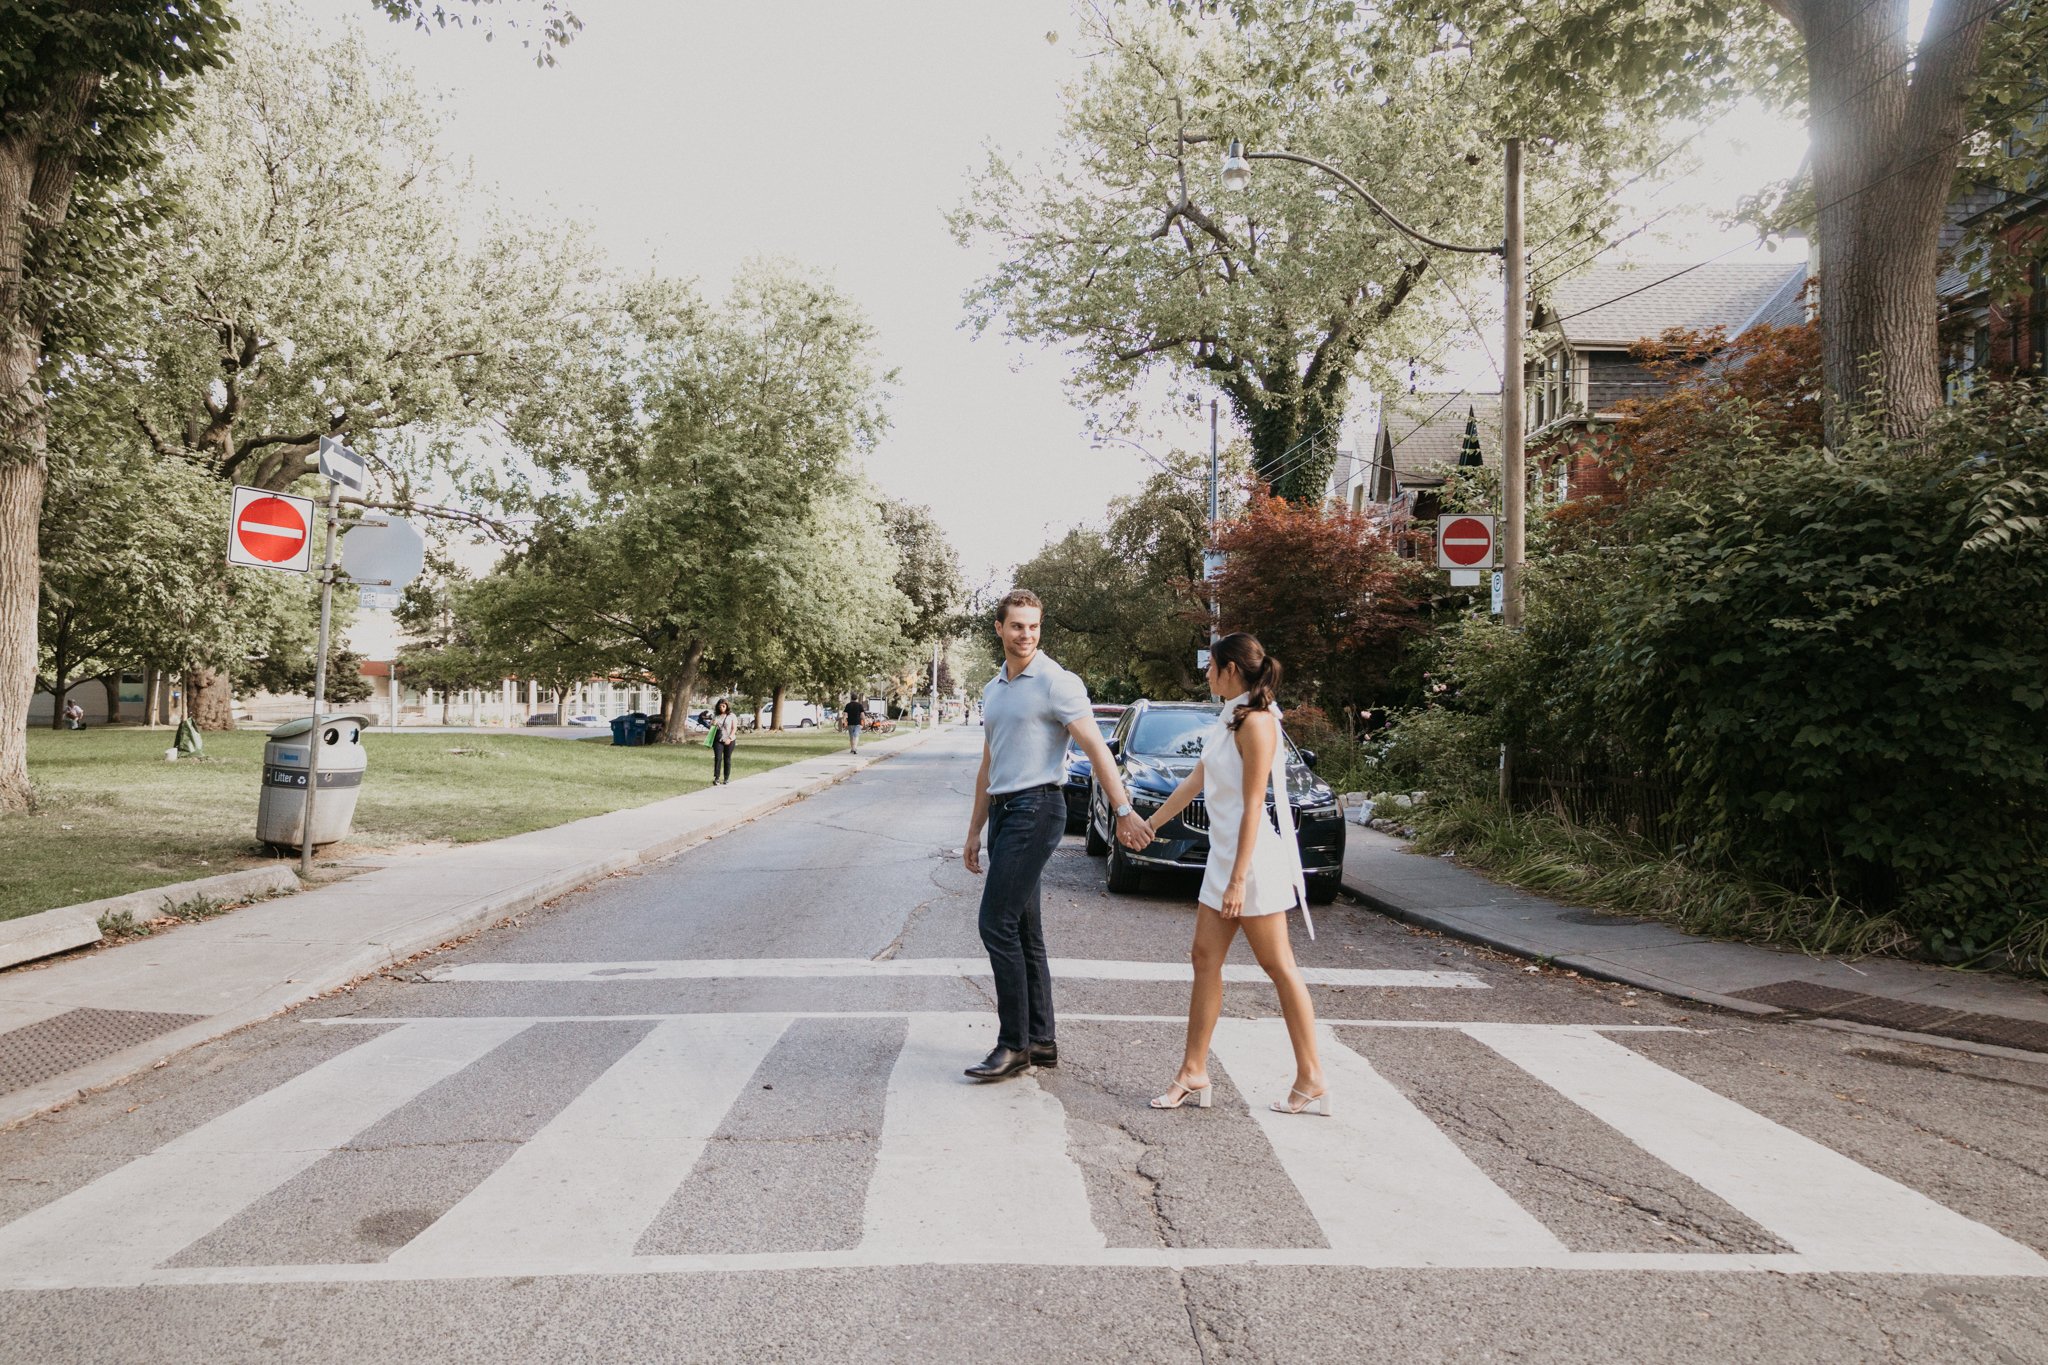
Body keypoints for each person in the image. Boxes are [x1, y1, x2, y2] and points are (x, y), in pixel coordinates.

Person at [962, 589, 1151, 1081]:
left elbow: (1096, 747)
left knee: (994, 923)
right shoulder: (993, 689)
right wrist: (974, 830)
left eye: (1034, 626)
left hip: (1038, 806)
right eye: (1017, 626)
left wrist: (1124, 810)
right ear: (999, 629)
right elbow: (989, 764)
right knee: (1023, 929)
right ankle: (1040, 1040)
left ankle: (1013, 1044)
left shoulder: (1056, 681)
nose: (1026, 635)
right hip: (1006, 812)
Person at [1137, 632, 1327, 1116]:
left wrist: (1239, 878)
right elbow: (1195, 782)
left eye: (1211, 666)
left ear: (1232, 670)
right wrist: (1149, 825)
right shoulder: (1230, 718)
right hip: (1224, 858)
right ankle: (1193, 1072)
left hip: (1252, 861)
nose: (1205, 673)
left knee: (1278, 966)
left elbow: (1251, 806)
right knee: (1203, 958)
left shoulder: (1259, 725)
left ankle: (1311, 1076)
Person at [709, 699, 738, 785]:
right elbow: (712, 727)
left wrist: (729, 738)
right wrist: (712, 724)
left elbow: (734, 728)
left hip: (730, 740)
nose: (722, 708)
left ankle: (726, 778)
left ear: (727, 706)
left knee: (727, 758)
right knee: (718, 758)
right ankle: (716, 778)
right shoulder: (716, 716)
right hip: (718, 739)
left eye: (723, 706)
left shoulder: (732, 716)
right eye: (720, 706)